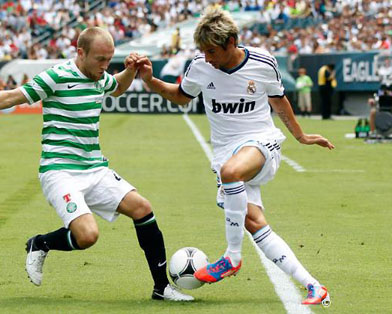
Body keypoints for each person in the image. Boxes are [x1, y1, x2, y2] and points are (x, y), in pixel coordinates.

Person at [0, 27, 192, 302]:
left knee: (143, 208)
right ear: (80, 53)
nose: (105, 66)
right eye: (100, 59)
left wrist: (130, 69)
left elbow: (117, 87)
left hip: (95, 169)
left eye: (109, 60)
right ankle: (41, 243)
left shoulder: (99, 76)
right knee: (87, 236)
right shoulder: (56, 76)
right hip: (60, 171)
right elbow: (14, 95)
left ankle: (161, 288)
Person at [138, 7, 333, 306]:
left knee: (231, 173)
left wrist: (301, 137)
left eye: (212, 51)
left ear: (231, 42)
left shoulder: (263, 62)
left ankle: (232, 257)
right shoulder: (200, 66)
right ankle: (314, 286)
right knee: (256, 224)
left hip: (262, 145)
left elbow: (279, 101)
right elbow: (180, 96)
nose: (208, 58)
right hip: (226, 153)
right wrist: (150, 80)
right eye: (203, 51)